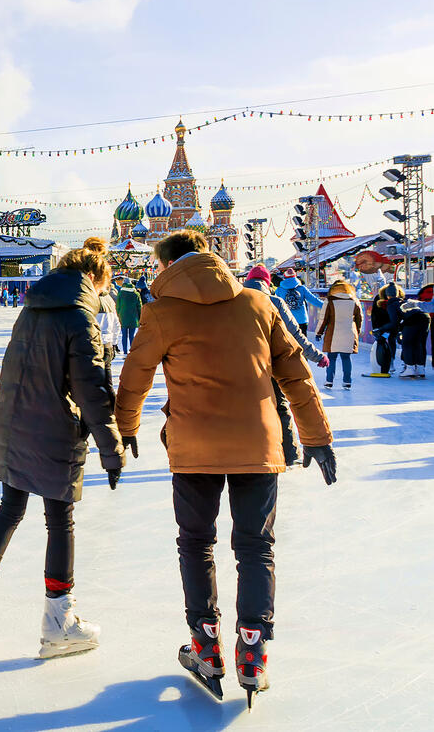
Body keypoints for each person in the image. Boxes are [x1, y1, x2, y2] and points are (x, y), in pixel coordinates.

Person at [115, 230, 334, 704]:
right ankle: (252, 651)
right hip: (258, 444)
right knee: (256, 547)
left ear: (167, 265)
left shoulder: (160, 312)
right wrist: (314, 435)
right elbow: (293, 371)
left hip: (193, 448)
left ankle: (206, 644)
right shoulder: (257, 303)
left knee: (196, 544)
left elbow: (135, 377)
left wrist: (126, 427)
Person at [0, 237, 123, 659]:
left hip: (14, 419)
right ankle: (59, 623)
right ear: (95, 277)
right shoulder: (81, 317)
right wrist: (110, 445)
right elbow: (91, 388)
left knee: (10, 507)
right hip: (52, 427)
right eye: (104, 287)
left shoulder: (33, 307)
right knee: (60, 520)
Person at [244, 265, 328, 464]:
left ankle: (252, 454)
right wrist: (317, 356)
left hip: (244, 364)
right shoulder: (275, 302)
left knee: (247, 408)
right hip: (274, 363)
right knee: (280, 407)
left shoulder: (236, 302)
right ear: (267, 283)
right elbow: (295, 335)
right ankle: (289, 454)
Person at [316, 279, 363, 389]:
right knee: (346, 358)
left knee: (331, 358)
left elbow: (323, 318)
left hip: (333, 334)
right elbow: (359, 318)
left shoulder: (330, 300)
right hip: (349, 333)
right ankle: (347, 382)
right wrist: (358, 331)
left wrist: (319, 332)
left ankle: (329, 381)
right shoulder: (354, 300)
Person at [275, 269, 322, 334]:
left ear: (284, 278)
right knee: (303, 342)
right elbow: (314, 300)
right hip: (302, 320)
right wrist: (327, 305)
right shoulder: (302, 288)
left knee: (289, 343)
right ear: (295, 277)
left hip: (287, 320)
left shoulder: (279, 290)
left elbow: (275, 304)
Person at [399, 295, 429, 378]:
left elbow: (395, 321)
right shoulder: (406, 302)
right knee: (419, 343)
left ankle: (410, 368)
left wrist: (398, 332)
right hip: (425, 318)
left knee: (407, 343)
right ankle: (420, 368)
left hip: (412, 320)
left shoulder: (394, 305)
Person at [115, 277, 142, 353]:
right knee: (131, 335)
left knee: (124, 335)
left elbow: (118, 306)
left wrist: (118, 315)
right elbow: (139, 307)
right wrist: (140, 317)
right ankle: (132, 350)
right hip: (134, 318)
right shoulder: (136, 294)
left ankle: (125, 351)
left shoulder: (120, 293)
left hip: (123, 317)